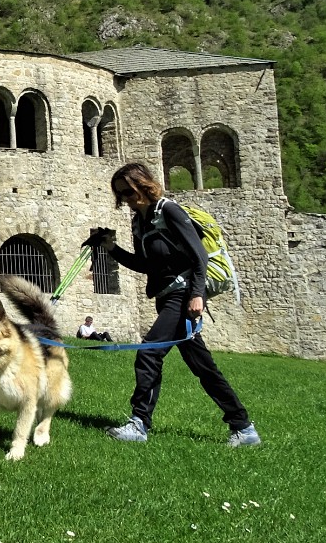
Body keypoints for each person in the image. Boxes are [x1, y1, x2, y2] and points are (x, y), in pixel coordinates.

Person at [100, 162, 261, 447]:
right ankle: (244, 427)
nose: (126, 198)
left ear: (143, 185)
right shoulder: (140, 221)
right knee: (203, 366)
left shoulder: (169, 211)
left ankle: (139, 424)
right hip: (166, 297)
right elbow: (145, 264)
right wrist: (112, 248)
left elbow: (199, 256)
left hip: (184, 295)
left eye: (128, 191)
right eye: (121, 194)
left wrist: (197, 294)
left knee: (149, 351)